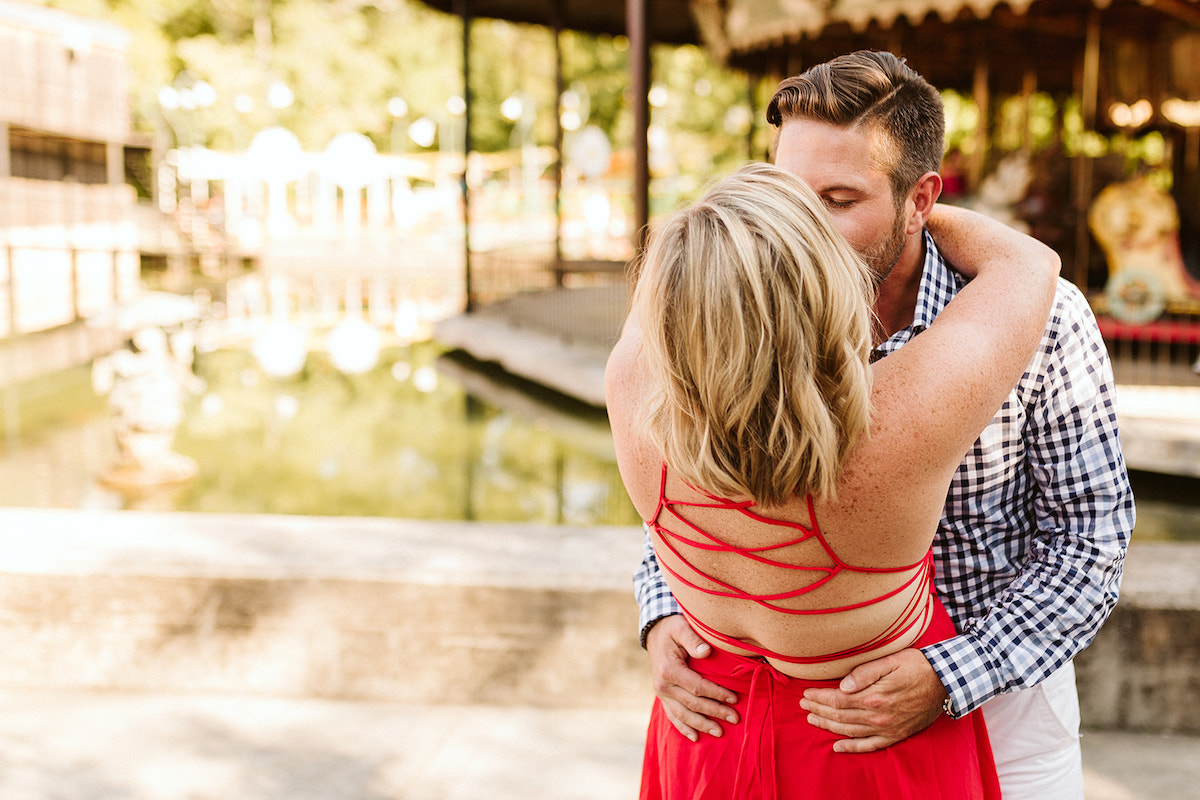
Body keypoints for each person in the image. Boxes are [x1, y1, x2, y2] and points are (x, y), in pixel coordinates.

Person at [633, 51, 1134, 800]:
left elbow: (1089, 542)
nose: (804, 227)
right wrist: (664, 607)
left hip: (1002, 702)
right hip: (810, 717)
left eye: (840, 198)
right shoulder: (750, 311)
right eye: (791, 194)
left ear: (920, 198)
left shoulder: (1047, 319)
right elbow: (690, 465)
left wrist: (951, 673)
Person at [608, 161, 1059, 797]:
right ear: (821, 291)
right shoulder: (896, 424)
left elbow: (666, 266)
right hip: (865, 745)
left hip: (709, 728)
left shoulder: (629, 387)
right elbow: (1029, 265)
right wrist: (910, 206)